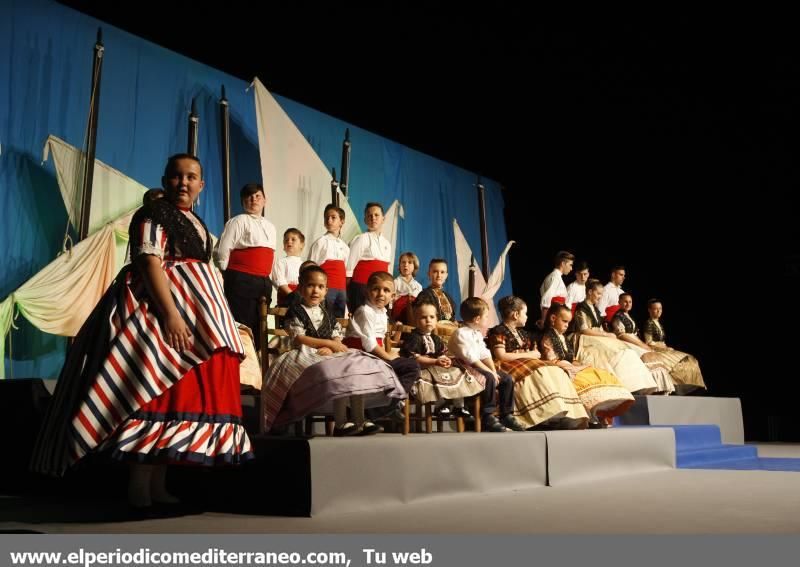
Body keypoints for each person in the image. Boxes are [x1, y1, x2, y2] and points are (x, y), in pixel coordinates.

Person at [32, 154, 253, 510]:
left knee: (180, 393)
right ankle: (138, 486)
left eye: (191, 177)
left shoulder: (193, 219)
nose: (184, 182)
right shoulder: (152, 214)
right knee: (153, 389)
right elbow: (150, 260)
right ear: (166, 180)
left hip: (199, 315)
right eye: (177, 176)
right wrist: (171, 314)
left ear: (201, 184)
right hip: (161, 312)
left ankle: (158, 484)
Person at [260, 266, 405, 435]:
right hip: (304, 352)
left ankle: (359, 420)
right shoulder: (296, 311)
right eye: (310, 286)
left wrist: (332, 346)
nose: (315, 291)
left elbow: (336, 335)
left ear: (326, 291)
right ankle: (340, 422)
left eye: (320, 287)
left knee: (352, 370)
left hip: (328, 352)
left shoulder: (327, 314)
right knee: (336, 373)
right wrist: (329, 344)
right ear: (300, 288)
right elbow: (299, 338)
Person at [488, 296, 589, 430]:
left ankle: (562, 411)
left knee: (555, 369)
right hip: (507, 364)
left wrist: (532, 353)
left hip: (526, 362)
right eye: (525, 313)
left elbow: (533, 351)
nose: (527, 317)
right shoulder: (498, 331)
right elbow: (501, 355)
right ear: (515, 314)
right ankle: (544, 413)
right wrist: (529, 354)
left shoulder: (522, 333)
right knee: (540, 371)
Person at [540, 303, 634, 426]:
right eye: (564, 321)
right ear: (553, 318)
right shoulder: (548, 337)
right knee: (583, 379)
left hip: (569, 365)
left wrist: (578, 364)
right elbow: (550, 359)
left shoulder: (563, 337)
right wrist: (569, 367)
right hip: (559, 368)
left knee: (598, 372)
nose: (567, 325)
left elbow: (571, 357)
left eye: (568, 322)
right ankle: (588, 416)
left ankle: (598, 414)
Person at [214, 183, 277, 347]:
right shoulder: (238, 221)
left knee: (260, 324)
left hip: (263, 281)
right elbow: (222, 251)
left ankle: (257, 364)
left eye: (258, 196)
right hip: (241, 279)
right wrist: (228, 276)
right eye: (249, 196)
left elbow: (270, 256)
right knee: (242, 324)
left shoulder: (271, 227)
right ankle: (242, 364)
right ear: (243, 202)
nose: (253, 199)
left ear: (265, 200)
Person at [448, 298, 526, 432]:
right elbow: (472, 359)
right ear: (477, 319)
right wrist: (490, 373)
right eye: (486, 316)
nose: (488, 319)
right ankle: (488, 415)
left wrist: (493, 370)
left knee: (506, 379)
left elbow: (485, 354)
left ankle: (507, 414)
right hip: (463, 367)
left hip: (476, 366)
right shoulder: (461, 333)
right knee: (489, 378)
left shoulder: (477, 333)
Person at [571, 279, 658, 394]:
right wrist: (606, 334)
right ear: (590, 292)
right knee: (614, 353)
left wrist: (606, 334)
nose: (600, 296)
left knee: (627, 351)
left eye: (601, 294)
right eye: (598, 293)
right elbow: (584, 329)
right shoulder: (582, 308)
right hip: (587, 338)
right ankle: (624, 386)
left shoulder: (594, 308)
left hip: (598, 335)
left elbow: (599, 326)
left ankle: (638, 385)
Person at [399, 300, 482, 420]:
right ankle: (441, 405)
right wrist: (435, 361)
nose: (428, 320)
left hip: (436, 366)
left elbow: (442, 353)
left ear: (436, 320)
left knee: (457, 372)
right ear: (416, 321)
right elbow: (414, 358)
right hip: (422, 369)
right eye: (423, 317)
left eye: (432, 317)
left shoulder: (436, 338)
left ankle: (459, 405)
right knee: (437, 377)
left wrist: (444, 359)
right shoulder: (413, 338)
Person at [610, 293, 675, 394]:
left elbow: (634, 334)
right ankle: (649, 388)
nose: (628, 304)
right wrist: (641, 345)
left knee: (653, 355)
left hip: (633, 339)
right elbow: (621, 335)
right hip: (625, 341)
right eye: (625, 301)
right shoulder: (618, 317)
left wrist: (641, 343)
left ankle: (659, 387)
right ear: (619, 302)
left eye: (630, 302)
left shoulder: (628, 316)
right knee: (646, 355)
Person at [643, 298, 707, 394]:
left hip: (664, 348)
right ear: (649, 310)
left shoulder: (659, 323)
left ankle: (681, 386)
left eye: (660, 308)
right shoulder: (648, 323)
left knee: (689, 360)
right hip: (656, 350)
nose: (658, 311)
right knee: (679, 362)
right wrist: (664, 348)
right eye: (655, 309)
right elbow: (649, 342)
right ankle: (669, 386)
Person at [346, 202, 392, 313]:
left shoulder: (387, 244)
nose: (373, 218)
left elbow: (387, 271)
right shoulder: (361, 239)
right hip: (362, 289)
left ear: (383, 219)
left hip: (381, 290)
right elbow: (349, 267)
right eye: (369, 215)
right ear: (365, 219)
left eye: (376, 215)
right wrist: (346, 292)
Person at [307, 204, 349, 318]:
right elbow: (311, 267)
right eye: (327, 217)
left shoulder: (345, 246)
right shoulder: (320, 242)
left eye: (333, 217)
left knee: (339, 320)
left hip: (341, 289)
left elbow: (346, 269)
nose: (329, 220)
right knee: (324, 317)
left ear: (341, 221)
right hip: (326, 288)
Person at [414, 259, 458, 329]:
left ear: (446, 275)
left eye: (442, 272)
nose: (439, 275)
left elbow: (452, 319)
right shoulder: (424, 295)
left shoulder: (448, 297)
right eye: (435, 272)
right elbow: (421, 320)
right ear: (429, 274)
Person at [539, 250, 574, 325]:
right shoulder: (555, 277)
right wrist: (543, 320)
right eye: (570, 265)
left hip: (557, 314)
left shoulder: (555, 276)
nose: (571, 268)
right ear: (563, 263)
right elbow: (546, 298)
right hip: (554, 316)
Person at [272, 228, 305, 307]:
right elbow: (279, 280)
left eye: (293, 239)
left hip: (302, 298)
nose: (289, 241)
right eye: (286, 240)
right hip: (286, 297)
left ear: (301, 245)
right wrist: (292, 295)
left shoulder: (304, 264)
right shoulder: (281, 262)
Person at [392, 252, 423, 324]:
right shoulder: (395, 282)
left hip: (414, 316)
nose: (406, 265)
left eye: (409, 262)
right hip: (399, 316)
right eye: (403, 262)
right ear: (399, 265)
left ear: (415, 266)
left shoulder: (418, 286)